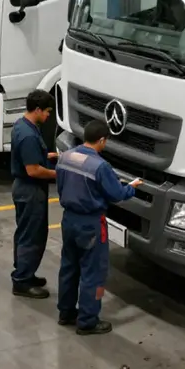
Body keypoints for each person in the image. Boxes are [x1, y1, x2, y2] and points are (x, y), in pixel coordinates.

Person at [56, 120, 143, 335]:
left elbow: (60, 185)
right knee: (92, 273)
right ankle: (87, 321)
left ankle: (66, 313)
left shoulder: (66, 157)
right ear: (102, 140)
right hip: (91, 224)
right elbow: (116, 195)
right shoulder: (100, 166)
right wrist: (131, 188)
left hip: (69, 219)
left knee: (69, 267)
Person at [9, 89, 58, 299]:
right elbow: (33, 170)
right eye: (47, 111)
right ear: (37, 109)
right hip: (31, 190)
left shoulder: (22, 125)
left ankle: (25, 274)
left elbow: (30, 157)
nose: (48, 116)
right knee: (32, 236)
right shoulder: (29, 135)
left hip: (23, 188)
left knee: (25, 232)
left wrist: (48, 155)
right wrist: (59, 174)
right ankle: (21, 281)